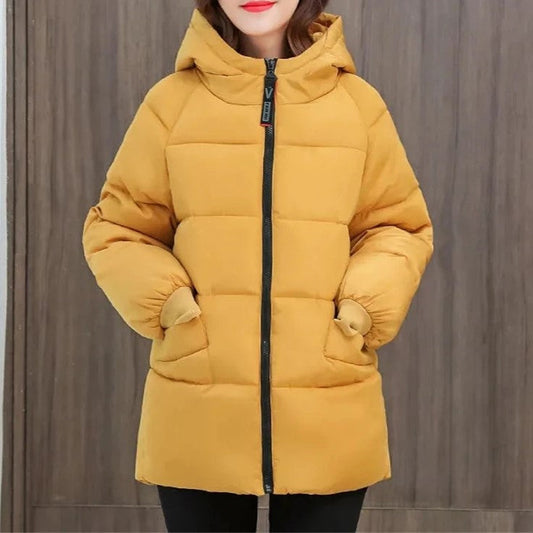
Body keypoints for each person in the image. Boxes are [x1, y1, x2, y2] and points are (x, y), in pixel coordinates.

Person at [81, 0, 434, 531]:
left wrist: (359, 311)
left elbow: (396, 227)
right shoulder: (171, 104)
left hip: (328, 401)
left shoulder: (358, 106)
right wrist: (173, 308)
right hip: (198, 401)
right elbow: (117, 229)